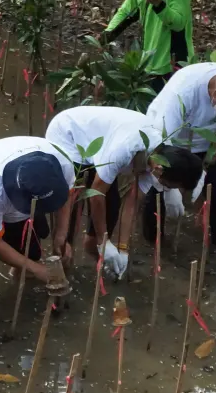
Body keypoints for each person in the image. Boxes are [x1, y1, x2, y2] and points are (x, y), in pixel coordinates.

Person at [46, 106, 204, 278]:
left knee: (112, 206)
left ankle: (92, 249)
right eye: (169, 186)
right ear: (159, 170)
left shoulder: (163, 157)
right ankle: (60, 263)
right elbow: (96, 194)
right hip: (71, 134)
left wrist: (123, 249)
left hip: (103, 144)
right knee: (71, 208)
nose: (166, 188)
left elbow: (133, 202)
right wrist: (103, 242)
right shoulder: (125, 149)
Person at [143, 62, 216, 252]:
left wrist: (204, 169)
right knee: (157, 194)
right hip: (169, 139)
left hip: (207, 140)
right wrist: (169, 187)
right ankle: (155, 244)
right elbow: (160, 149)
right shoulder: (182, 94)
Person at [0, 137, 75, 279]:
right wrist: (37, 269)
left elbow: (67, 195)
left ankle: (20, 272)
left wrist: (61, 235)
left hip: (15, 195)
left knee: (32, 252)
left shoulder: (62, 162)